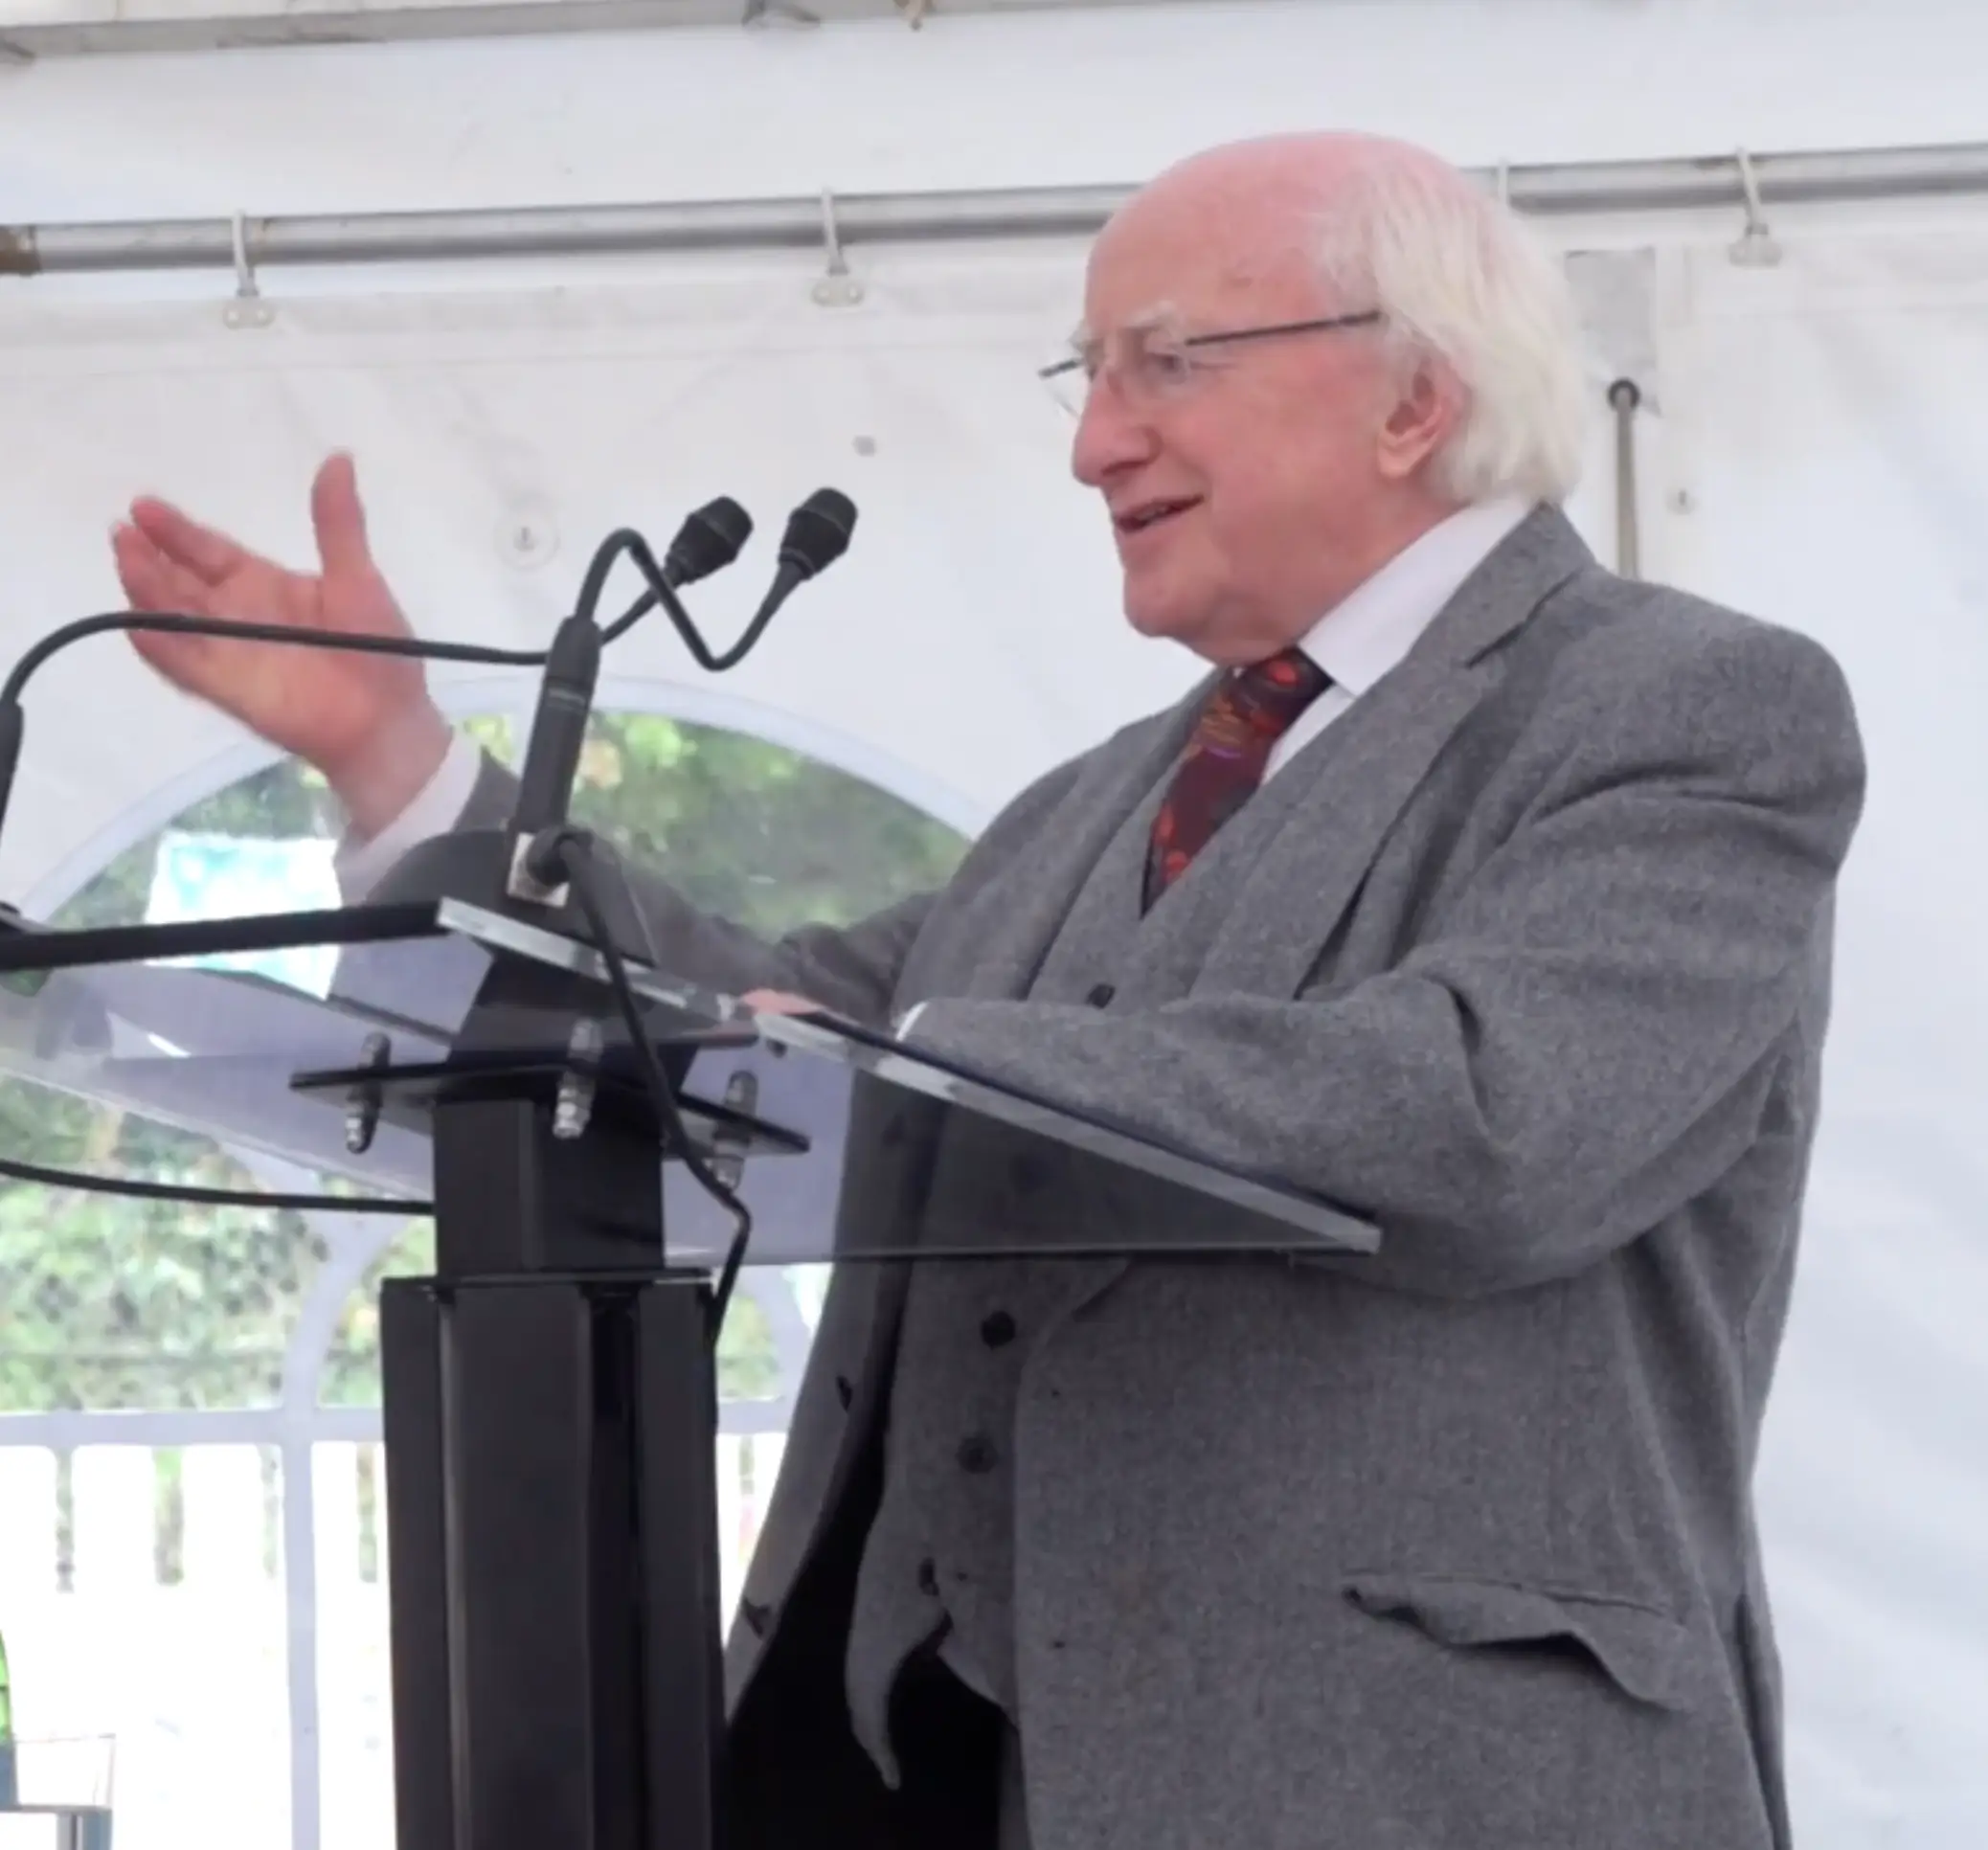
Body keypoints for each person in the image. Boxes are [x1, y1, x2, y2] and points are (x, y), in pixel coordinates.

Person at [111, 131, 1865, 1850]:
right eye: (1086, 377)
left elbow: (1504, 1111)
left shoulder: (1686, 708)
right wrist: (395, 759)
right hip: (935, 1773)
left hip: (1427, 1782)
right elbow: (751, 1019)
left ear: (1413, 398)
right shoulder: (1100, 797)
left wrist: (931, 1062)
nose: (1098, 443)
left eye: (1166, 363)